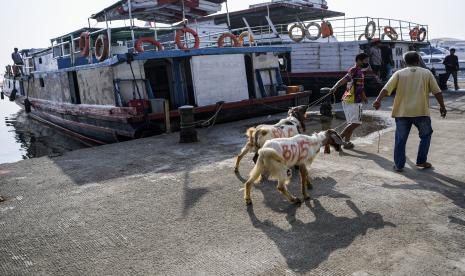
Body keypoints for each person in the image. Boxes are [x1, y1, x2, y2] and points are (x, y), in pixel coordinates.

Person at [373, 51, 447, 172]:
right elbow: (437, 91)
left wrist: (378, 100)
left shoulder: (399, 73)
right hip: (421, 112)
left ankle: (399, 165)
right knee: (426, 136)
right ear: (418, 61)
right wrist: (442, 107)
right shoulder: (426, 73)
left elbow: (386, 88)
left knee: (400, 140)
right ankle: (421, 161)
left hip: (402, 113)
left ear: (404, 62)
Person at [330, 53, 370, 149]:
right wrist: (335, 86)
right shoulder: (356, 71)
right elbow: (344, 80)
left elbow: (359, 87)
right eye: (366, 61)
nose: (367, 63)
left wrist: (364, 97)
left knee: (351, 123)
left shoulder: (356, 71)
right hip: (353, 100)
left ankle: (347, 142)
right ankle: (338, 139)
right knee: (356, 122)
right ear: (359, 61)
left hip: (348, 99)